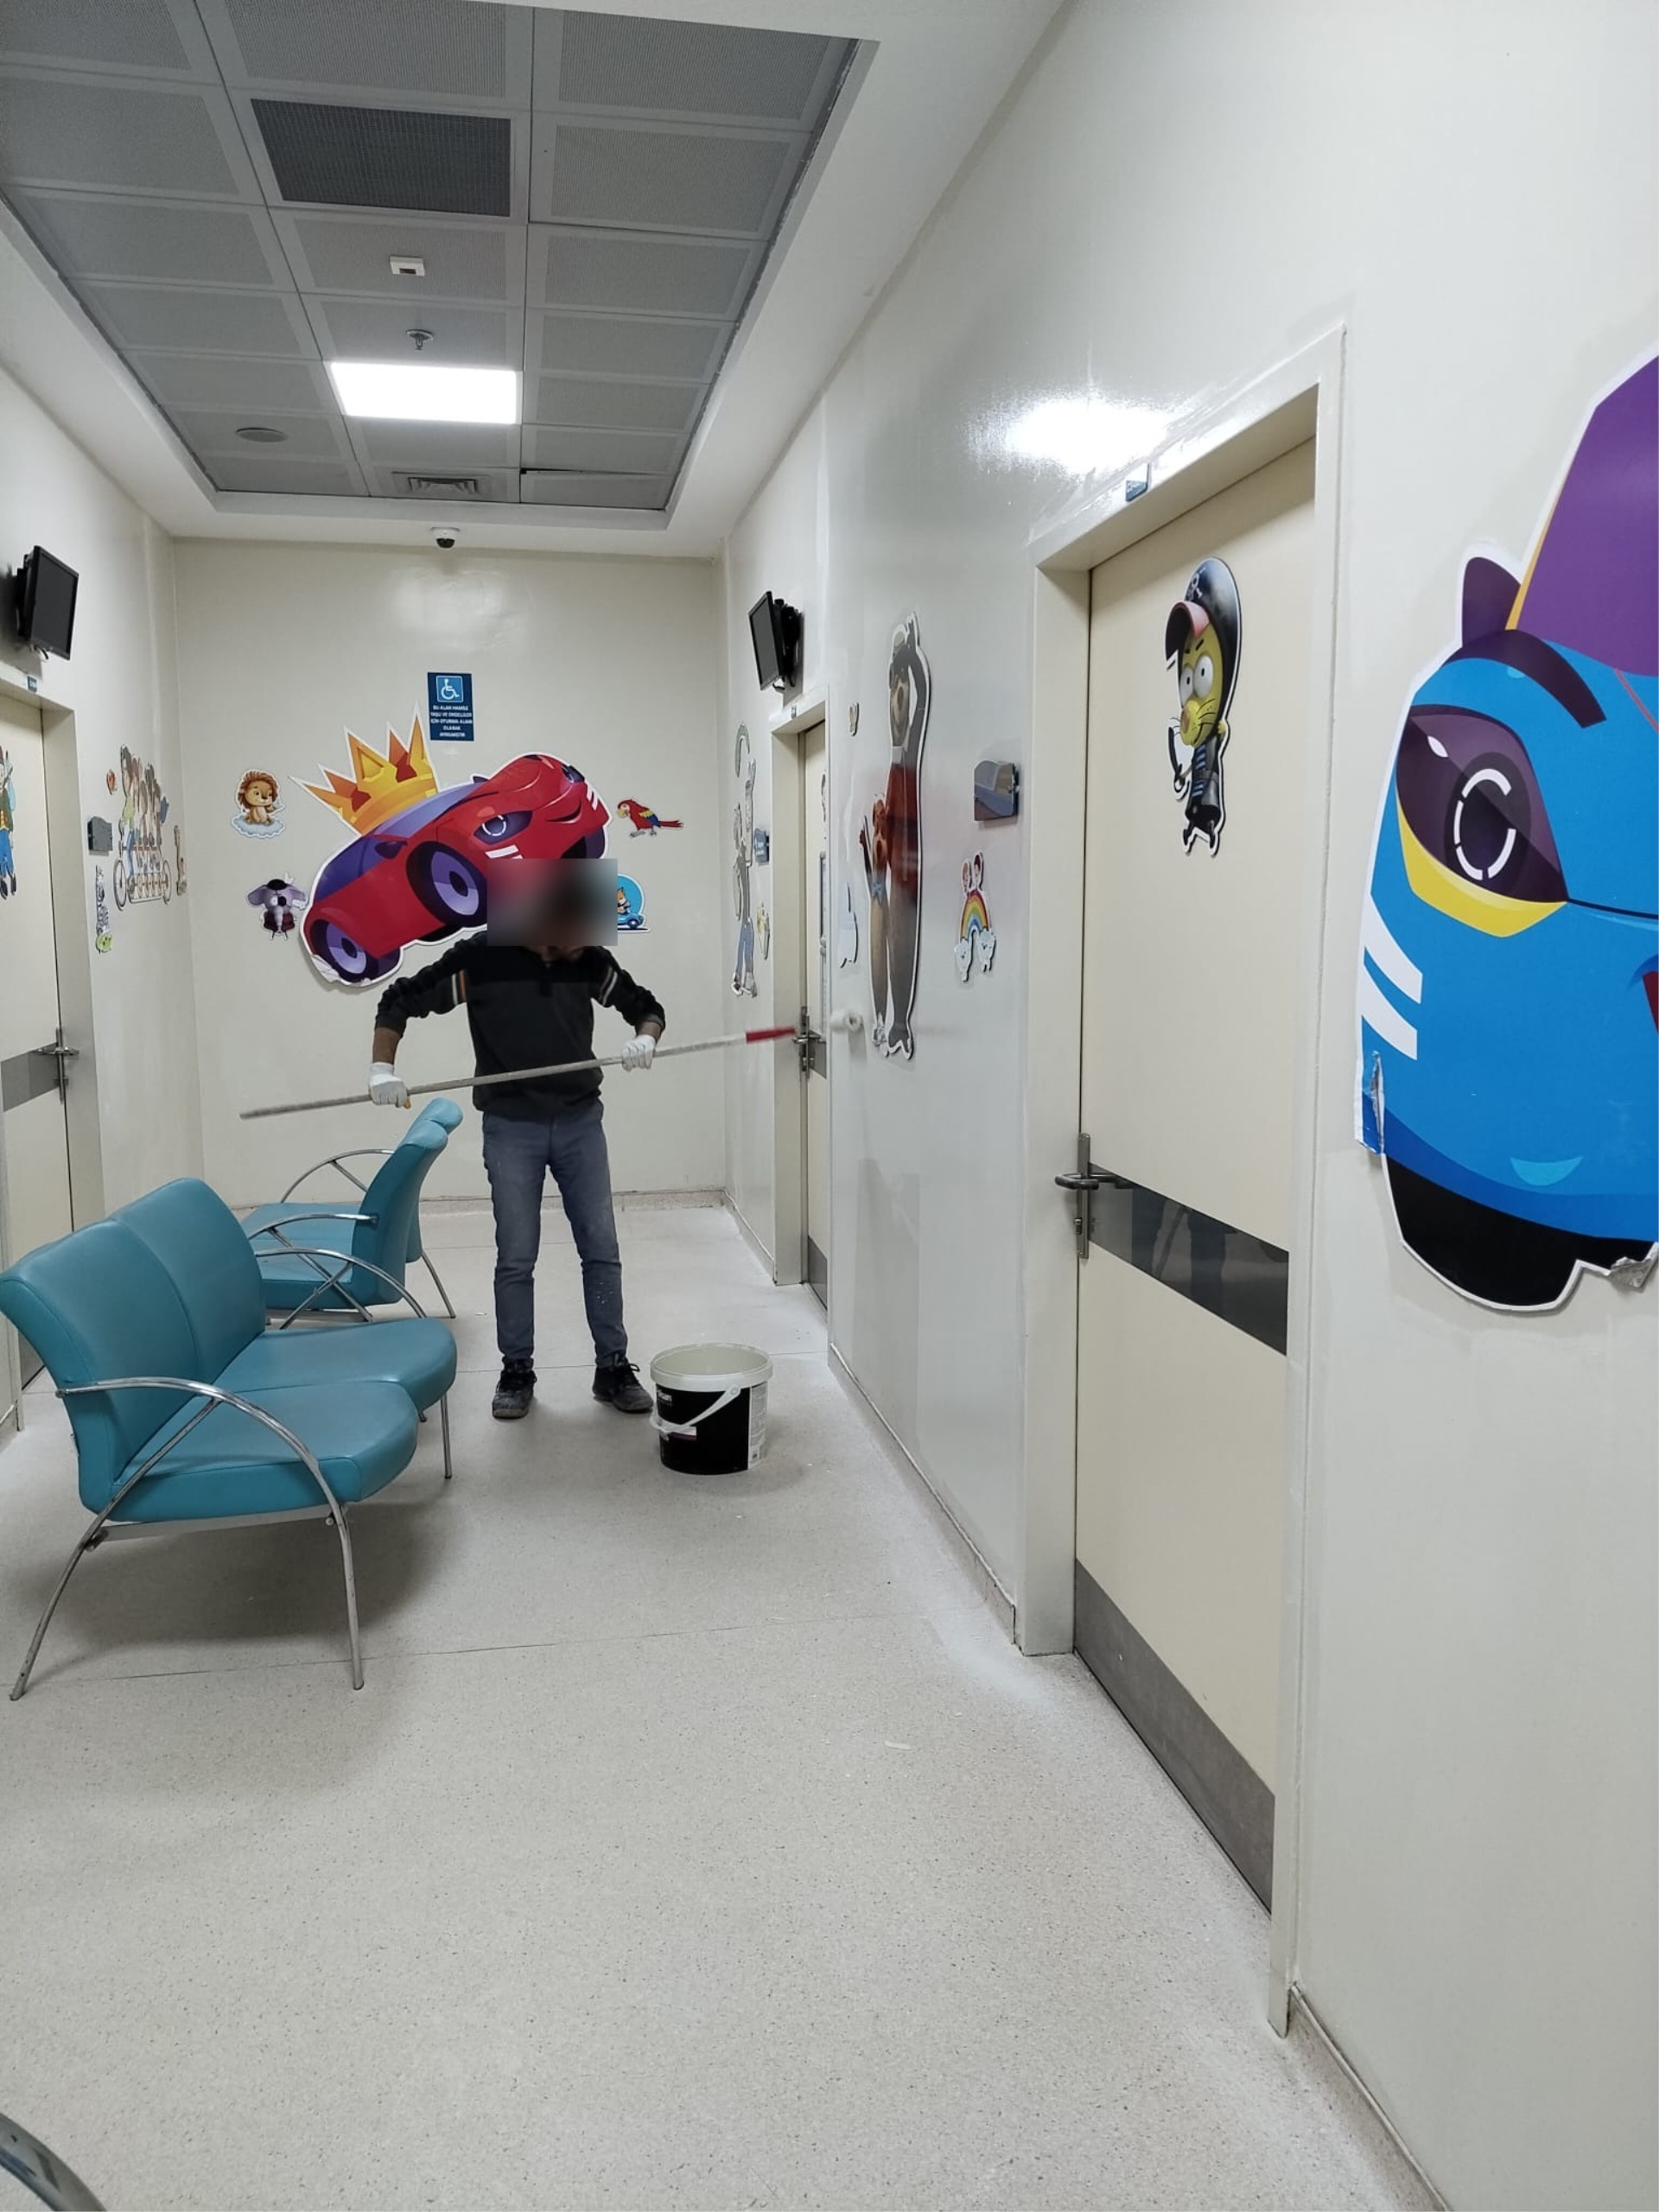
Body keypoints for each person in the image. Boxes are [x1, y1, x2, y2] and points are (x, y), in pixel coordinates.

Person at [367, 914, 664, 1422]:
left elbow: (647, 1008)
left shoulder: (587, 961)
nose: (578, 943)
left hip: (579, 1122)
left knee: (601, 1248)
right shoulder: (480, 959)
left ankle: (612, 1366)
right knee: (517, 1255)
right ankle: (517, 1369)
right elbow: (399, 1001)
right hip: (511, 1127)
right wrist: (382, 1069)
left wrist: (646, 1039)